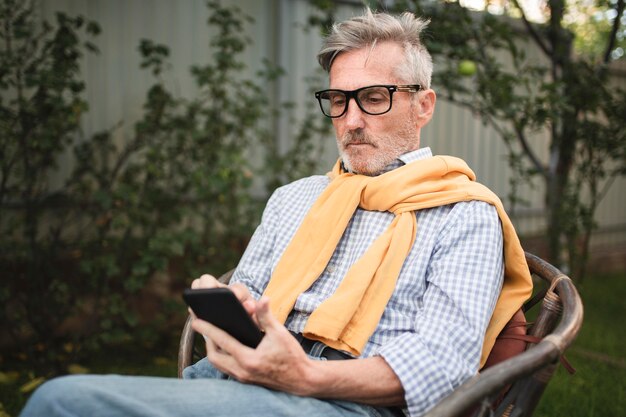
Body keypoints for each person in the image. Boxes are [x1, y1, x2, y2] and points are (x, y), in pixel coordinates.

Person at [19, 9, 532, 417]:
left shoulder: (463, 214)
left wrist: (306, 376)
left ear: (423, 105)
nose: (351, 121)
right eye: (337, 100)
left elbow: (444, 367)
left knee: (59, 402)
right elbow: (254, 297)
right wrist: (228, 309)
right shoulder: (297, 197)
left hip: (342, 403)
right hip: (238, 383)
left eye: (373, 99)